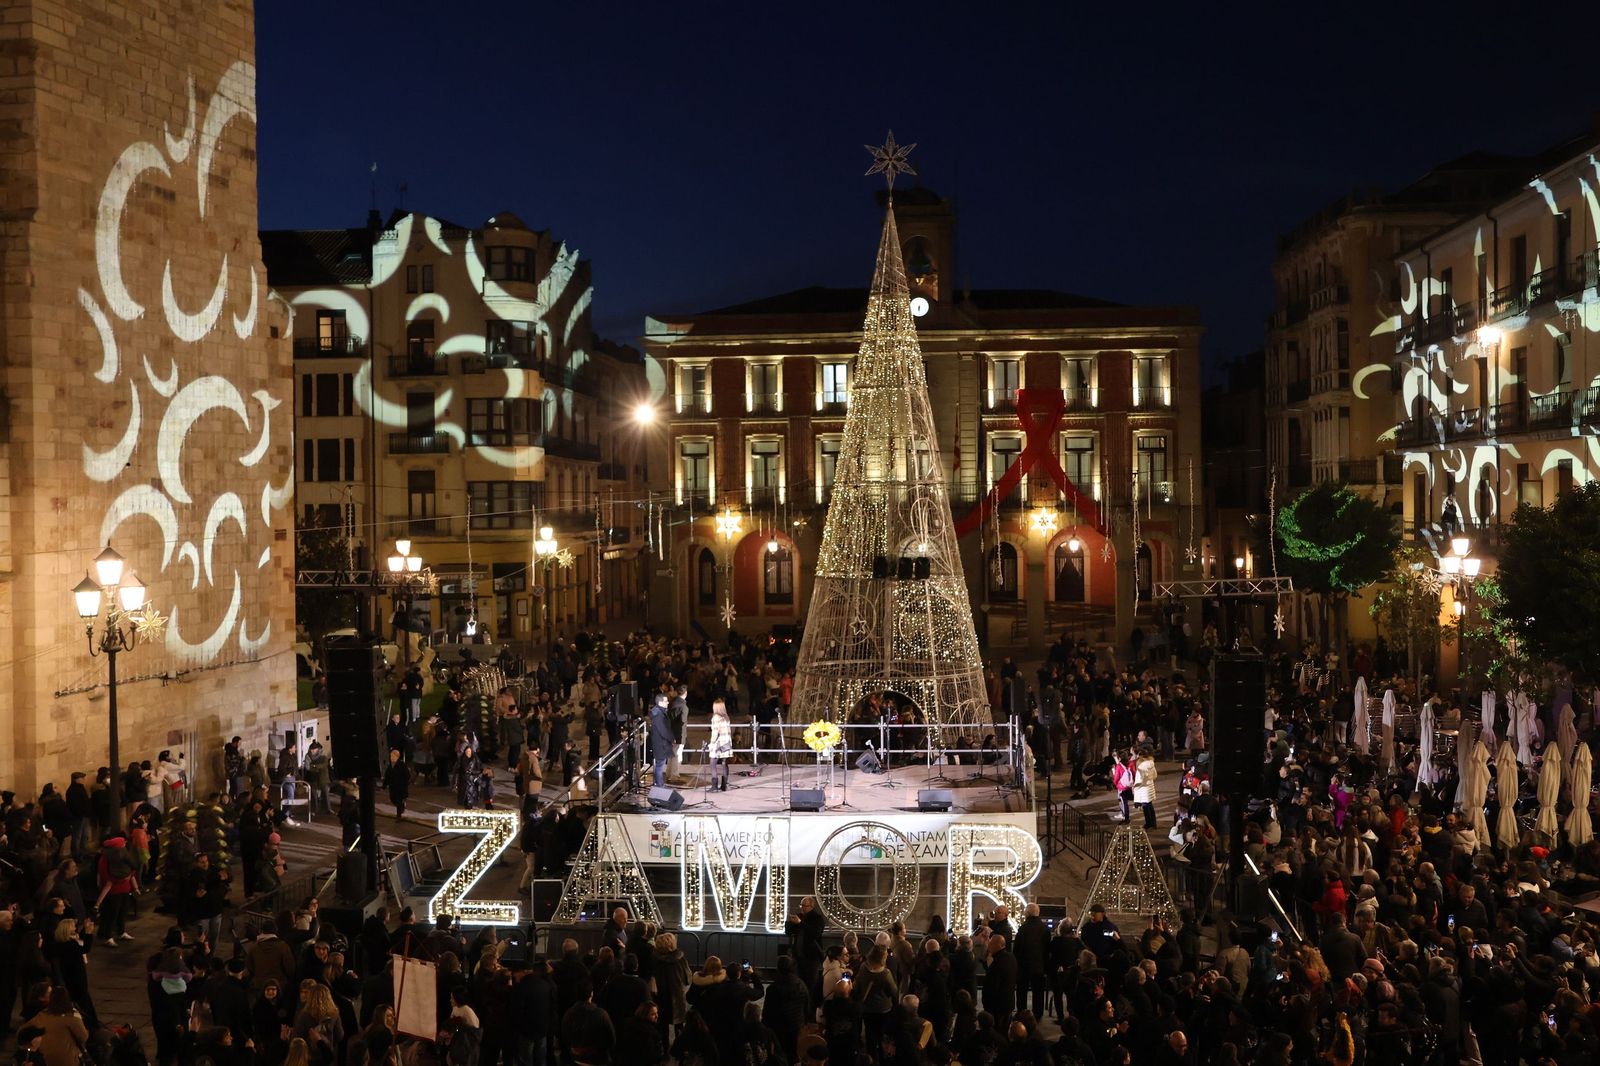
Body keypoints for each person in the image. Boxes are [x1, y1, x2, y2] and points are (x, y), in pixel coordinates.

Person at [708, 697, 734, 791]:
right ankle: (724, 785)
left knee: (713, 763)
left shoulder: (716, 718)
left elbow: (715, 733)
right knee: (724, 763)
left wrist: (711, 744)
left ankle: (714, 786)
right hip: (727, 742)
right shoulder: (726, 717)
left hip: (719, 743)